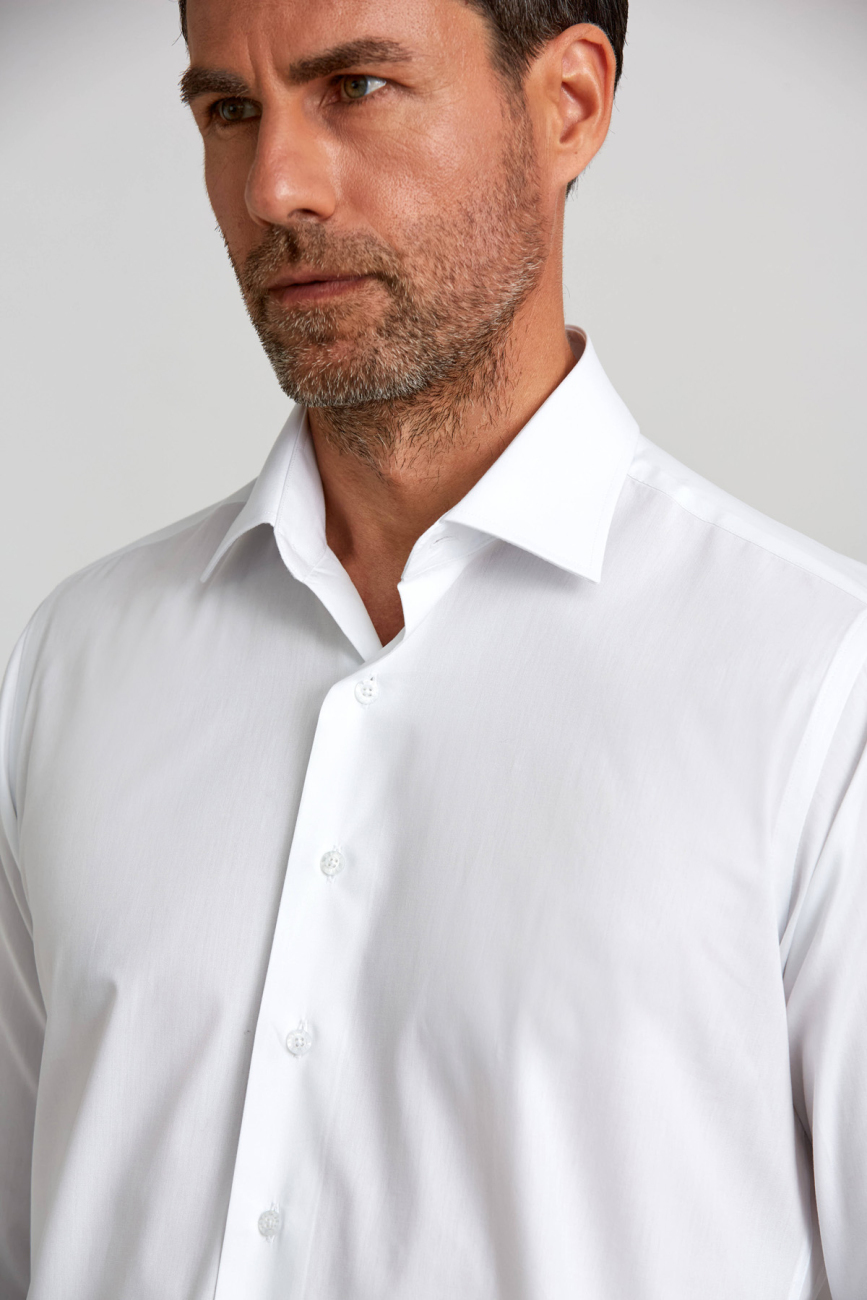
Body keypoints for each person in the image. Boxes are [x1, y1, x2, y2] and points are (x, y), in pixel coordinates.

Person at [0, 0, 864, 1295]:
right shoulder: (73, 667)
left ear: (568, 104)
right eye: (229, 109)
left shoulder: (822, 688)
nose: (274, 186)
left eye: (355, 87)